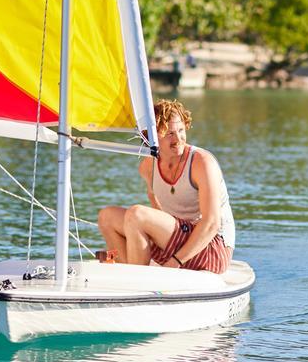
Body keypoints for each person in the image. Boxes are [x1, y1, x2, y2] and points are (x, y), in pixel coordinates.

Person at [97, 99, 235, 274]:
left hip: (210, 249)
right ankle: (129, 271)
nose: (178, 139)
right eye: (169, 133)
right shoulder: (148, 167)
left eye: (181, 130)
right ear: (152, 137)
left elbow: (212, 223)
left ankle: (137, 282)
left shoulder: (202, 163)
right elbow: (158, 211)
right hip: (176, 242)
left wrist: (173, 263)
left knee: (137, 214)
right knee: (107, 216)